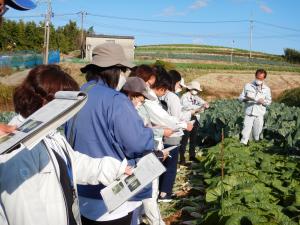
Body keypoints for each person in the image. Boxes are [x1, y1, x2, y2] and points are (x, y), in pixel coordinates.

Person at [0, 64, 131, 225]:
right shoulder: (19, 149)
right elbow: (26, 215)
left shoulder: (49, 133)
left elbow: (73, 163)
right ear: (44, 100)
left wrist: (115, 168)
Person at [64, 43, 155, 225]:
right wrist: (150, 134)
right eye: (122, 70)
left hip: (81, 188)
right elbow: (137, 143)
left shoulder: (78, 95)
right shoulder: (115, 100)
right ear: (114, 71)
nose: (123, 76)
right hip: (114, 193)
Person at [122, 76, 167, 225]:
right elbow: (135, 143)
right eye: (140, 100)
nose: (140, 104)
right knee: (141, 196)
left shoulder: (128, 110)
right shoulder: (125, 113)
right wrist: (157, 153)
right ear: (132, 95)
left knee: (137, 201)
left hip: (133, 162)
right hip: (131, 165)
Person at [158, 70, 194, 201]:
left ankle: (160, 191)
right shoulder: (172, 97)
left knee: (161, 164)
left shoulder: (160, 95)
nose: (179, 86)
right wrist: (187, 120)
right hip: (172, 134)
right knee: (171, 166)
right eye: (179, 83)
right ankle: (165, 193)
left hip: (161, 133)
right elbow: (175, 117)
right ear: (175, 81)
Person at [239, 69, 272, 145]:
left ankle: (254, 146)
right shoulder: (248, 86)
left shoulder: (267, 89)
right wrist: (245, 99)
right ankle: (242, 146)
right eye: (257, 78)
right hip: (249, 113)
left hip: (259, 114)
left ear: (264, 78)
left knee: (257, 133)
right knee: (245, 133)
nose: (258, 80)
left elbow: (269, 102)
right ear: (255, 76)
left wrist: (263, 102)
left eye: (261, 79)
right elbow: (240, 98)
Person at [180, 80, 209, 164]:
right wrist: (199, 108)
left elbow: (203, 102)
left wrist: (206, 104)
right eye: (195, 89)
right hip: (187, 119)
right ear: (190, 89)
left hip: (195, 118)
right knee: (184, 140)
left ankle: (192, 156)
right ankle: (182, 159)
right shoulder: (184, 96)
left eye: (197, 90)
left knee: (193, 139)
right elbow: (187, 107)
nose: (196, 91)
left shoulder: (196, 97)